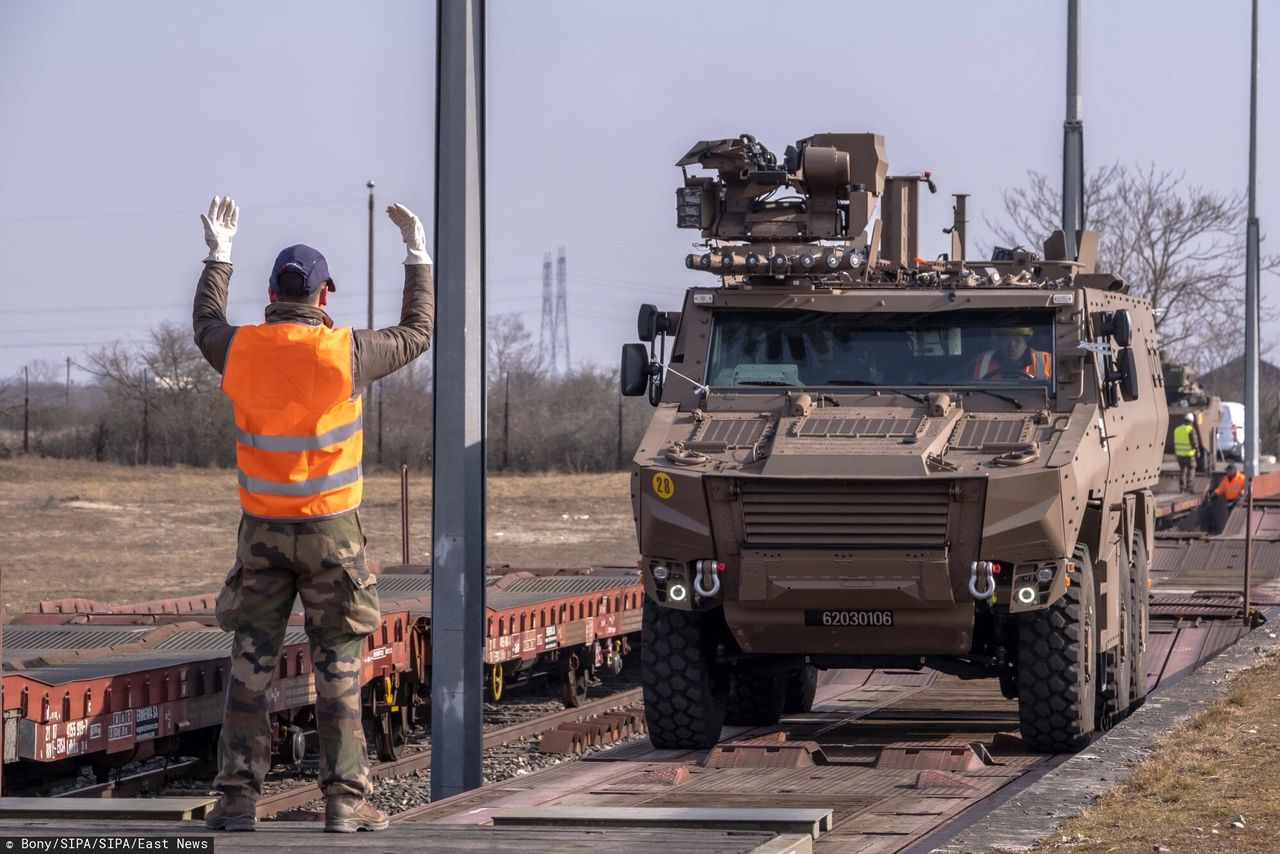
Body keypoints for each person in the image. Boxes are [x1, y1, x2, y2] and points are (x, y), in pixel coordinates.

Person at [192, 196, 434, 833]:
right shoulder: (345, 354)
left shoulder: (241, 350)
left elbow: (205, 323)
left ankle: (237, 803)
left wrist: (219, 254)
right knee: (339, 670)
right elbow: (418, 333)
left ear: (272, 291)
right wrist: (417, 255)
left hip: (263, 536)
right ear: (323, 295)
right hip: (333, 534)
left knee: (250, 669)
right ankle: (344, 803)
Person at [972, 326, 1051, 381]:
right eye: (1006, 340)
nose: (1012, 345)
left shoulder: (1045, 360)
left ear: (1026, 344)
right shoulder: (982, 360)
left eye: (1018, 340)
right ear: (999, 343)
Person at [1172, 413, 1201, 493]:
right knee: (1191, 469)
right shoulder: (1190, 429)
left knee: (1182, 470)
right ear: (1191, 421)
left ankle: (1182, 487)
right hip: (1189, 454)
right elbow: (1194, 442)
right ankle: (1189, 487)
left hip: (1179, 454)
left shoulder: (1177, 429)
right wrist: (1197, 451)